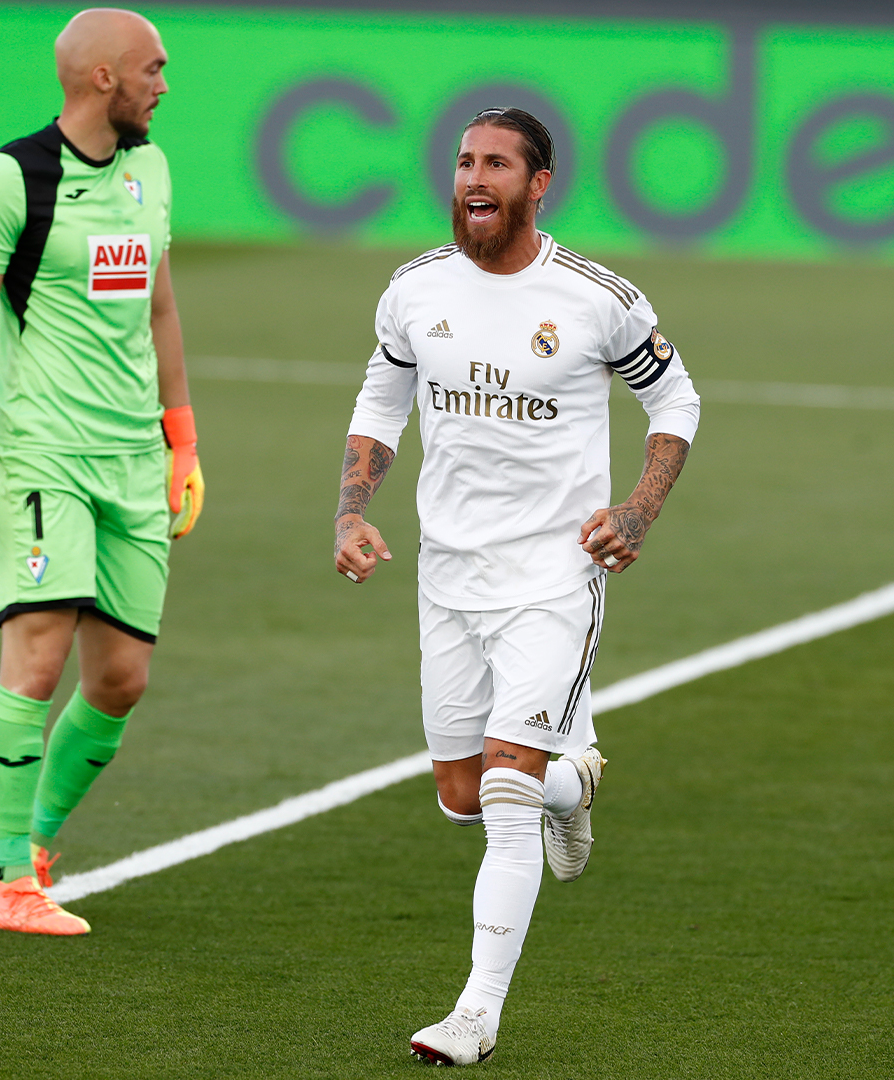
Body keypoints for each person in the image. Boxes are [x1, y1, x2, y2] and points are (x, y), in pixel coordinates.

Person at [334, 107, 699, 1064]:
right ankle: (572, 785)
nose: (472, 178)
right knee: (462, 793)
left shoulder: (593, 297)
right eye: (463, 162)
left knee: (501, 790)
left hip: (553, 573)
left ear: (540, 184)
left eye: (496, 163)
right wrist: (351, 509)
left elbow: (675, 399)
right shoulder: (415, 289)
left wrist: (636, 512)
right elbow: (384, 396)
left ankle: (475, 1014)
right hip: (447, 572)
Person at [0, 8, 203, 936]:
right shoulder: (10, 179)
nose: (164, 83)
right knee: (37, 656)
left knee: (120, 680)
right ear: (103, 77)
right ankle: (5, 884)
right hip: (43, 456)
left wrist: (182, 441)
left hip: (133, 464)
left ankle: (34, 844)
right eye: (153, 68)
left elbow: (160, 310)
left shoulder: (151, 170)